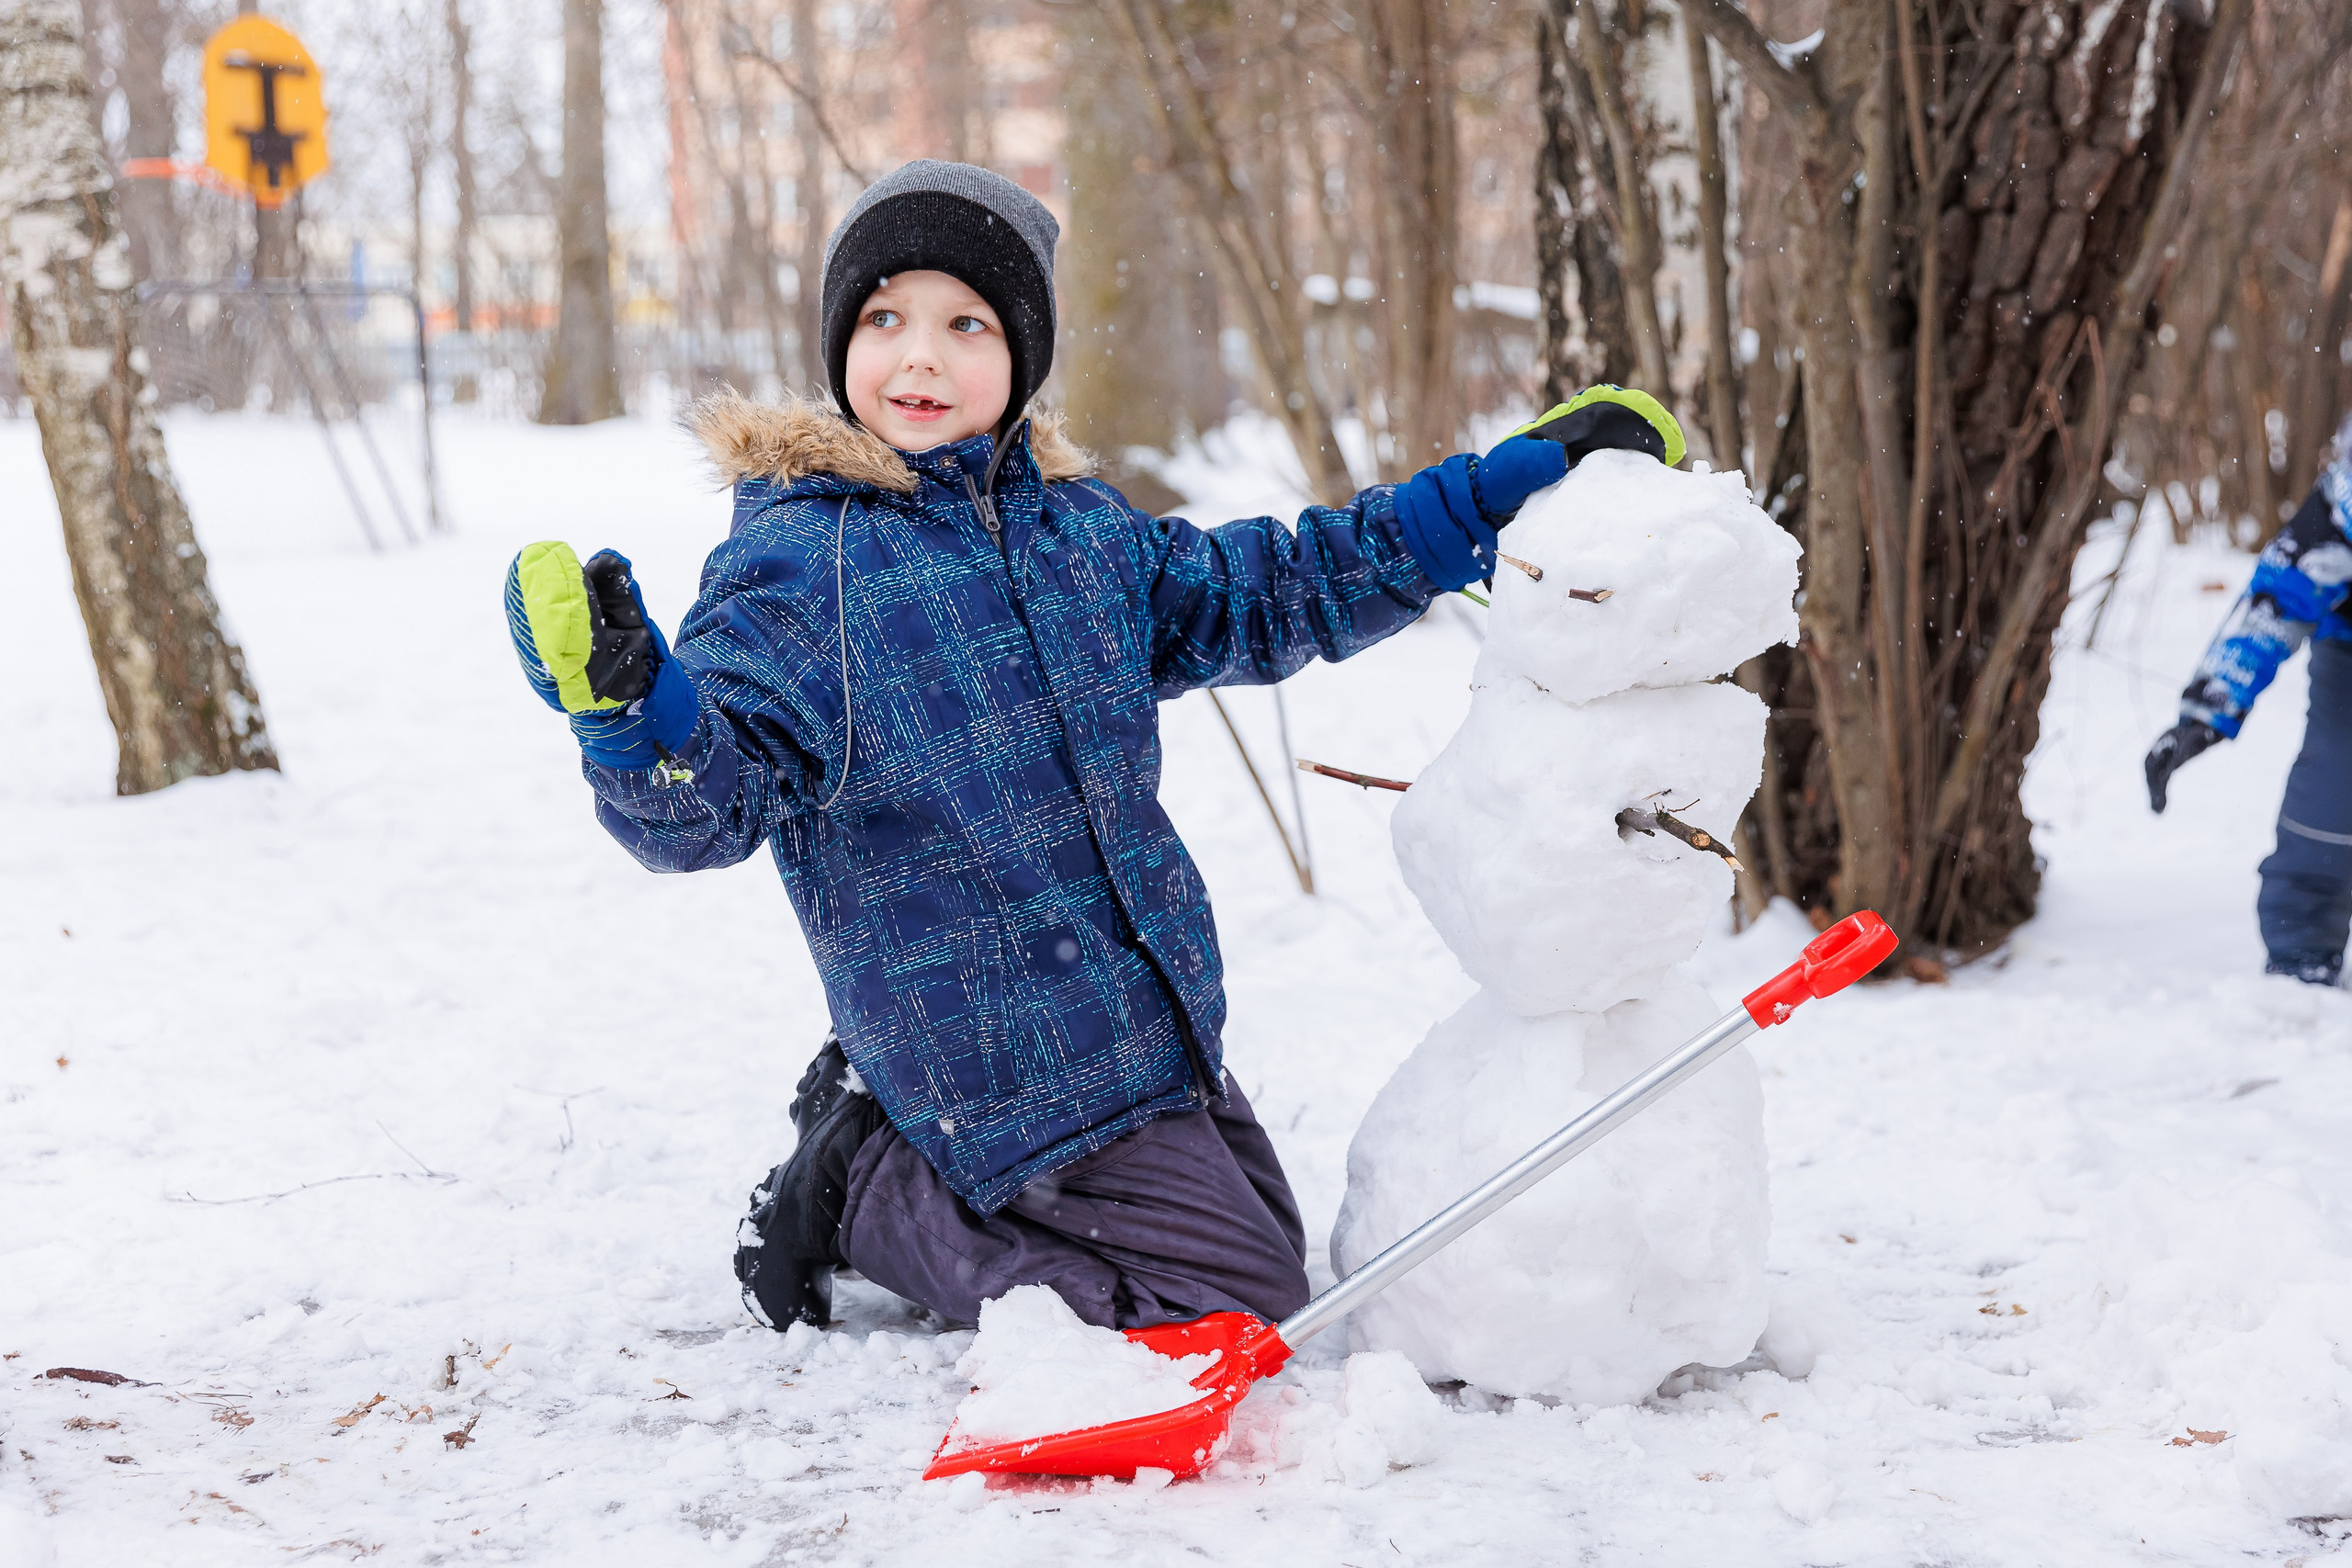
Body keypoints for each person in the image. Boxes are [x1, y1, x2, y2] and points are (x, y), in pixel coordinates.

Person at [502, 160, 1684, 1330]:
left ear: (1021, 354)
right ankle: (867, 1190)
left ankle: (888, 1136)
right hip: (984, 1052)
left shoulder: (1077, 532)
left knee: (1266, 1244)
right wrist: (631, 714)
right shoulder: (801, 572)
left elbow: (1267, 590)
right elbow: (711, 804)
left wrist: (1477, 503)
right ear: (839, 345)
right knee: (1231, 1305)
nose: (920, 356)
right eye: (883, 319)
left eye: (966, 323)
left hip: (1140, 1020)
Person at [2146, 419, 2352, 983]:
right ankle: (2302, 960)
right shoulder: (2345, 502)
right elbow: (2279, 597)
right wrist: (2208, 708)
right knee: (2332, 800)